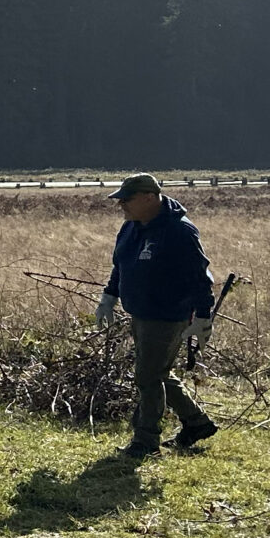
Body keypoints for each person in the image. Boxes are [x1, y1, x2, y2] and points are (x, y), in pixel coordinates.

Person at [96, 173, 219, 455]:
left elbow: (199, 276)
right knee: (157, 373)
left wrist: (203, 316)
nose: (121, 205)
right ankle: (197, 422)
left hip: (167, 314)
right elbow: (121, 266)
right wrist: (109, 296)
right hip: (140, 312)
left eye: (127, 199)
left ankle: (145, 441)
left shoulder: (179, 231)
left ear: (149, 198)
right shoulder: (130, 228)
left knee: (148, 377)